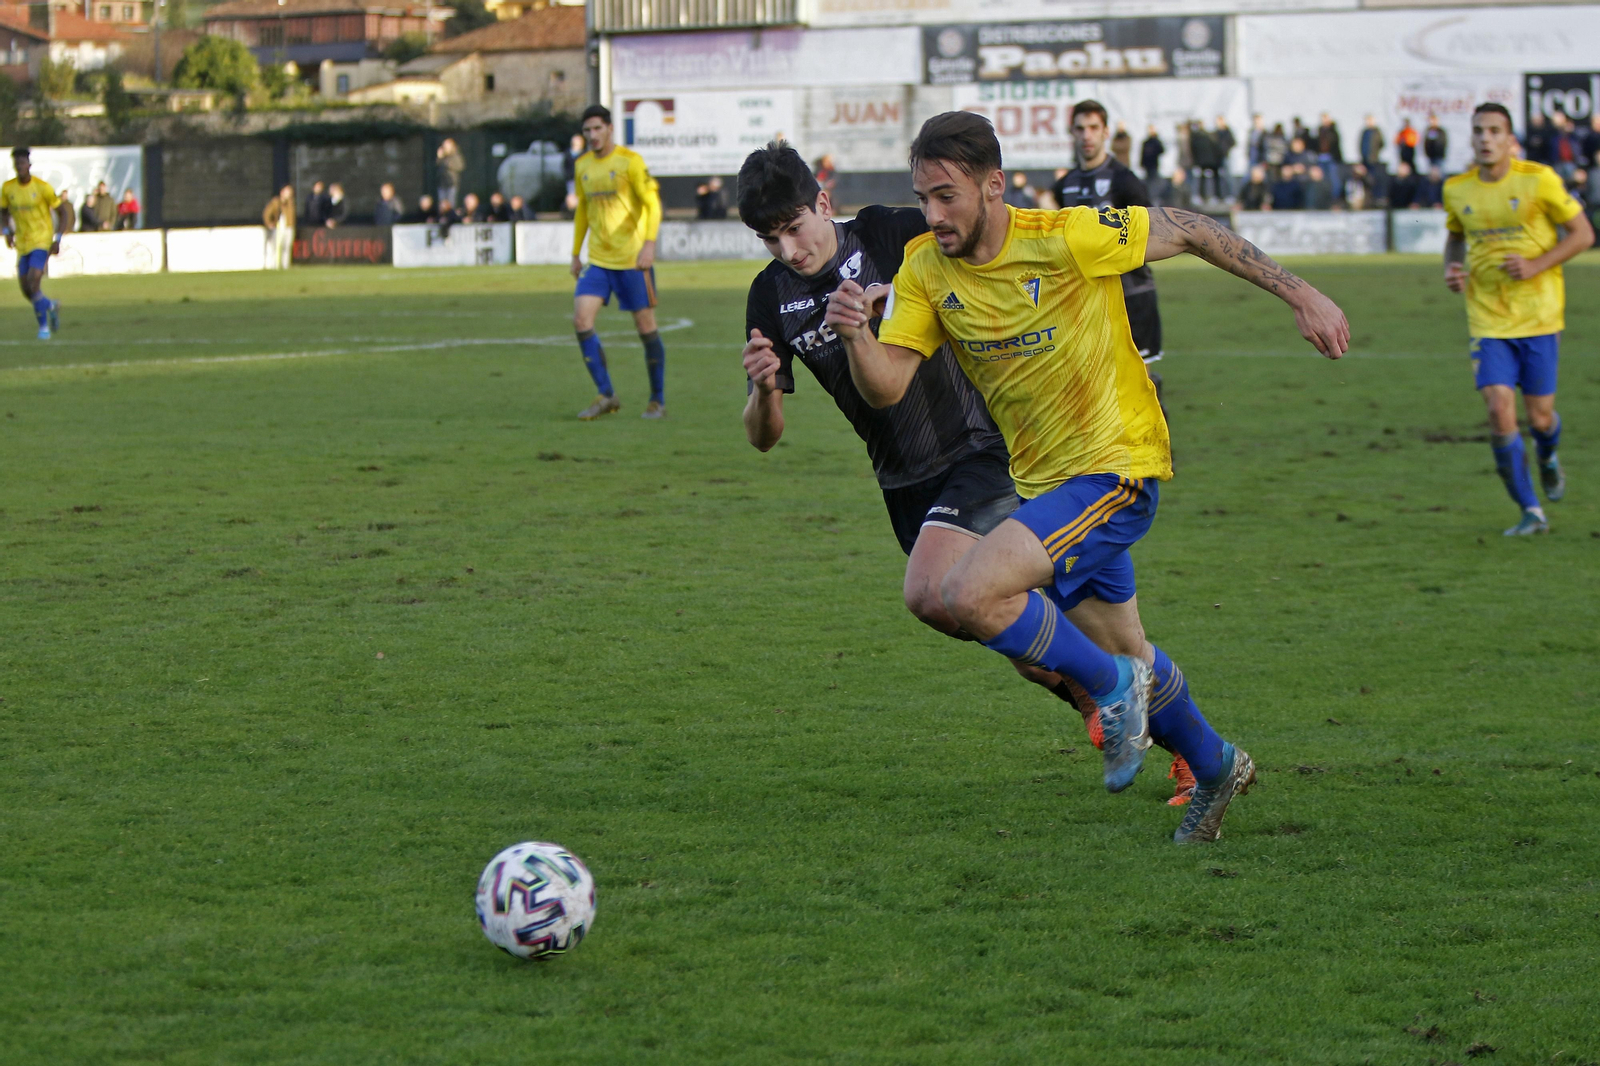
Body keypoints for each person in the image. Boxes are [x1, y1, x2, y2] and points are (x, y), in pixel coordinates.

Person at [823, 111, 1350, 842]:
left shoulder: (1067, 237)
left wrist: (1300, 293)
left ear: (994, 186)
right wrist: (856, 335)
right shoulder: (924, 270)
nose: (933, 214)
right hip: (1046, 486)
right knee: (1130, 651)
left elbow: (1193, 228)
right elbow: (887, 387)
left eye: (947, 196)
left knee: (969, 593)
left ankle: (1110, 690)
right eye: (923, 198)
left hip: (1115, 467)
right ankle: (1216, 764)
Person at [737, 140, 1197, 804]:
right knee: (1057, 640)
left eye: (793, 227)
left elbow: (985, 252)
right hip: (904, 483)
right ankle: (1184, 744)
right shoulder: (770, 295)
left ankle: (1107, 691)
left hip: (981, 451)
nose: (788, 249)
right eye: (769, 239)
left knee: (934, 594)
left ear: (823, 202)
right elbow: (764, 437)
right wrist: (761, 392)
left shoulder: (891, 233)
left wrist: (902, 297)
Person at [1443, 102, 1593, 536]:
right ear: (1471, 138)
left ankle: (1547, 454)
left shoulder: (1538, 179)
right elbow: (1455, 237)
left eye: (1495, 131)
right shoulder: (1457, 188)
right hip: (1487, 319)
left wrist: (1536, 265)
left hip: (1539, 316)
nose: (1486, 138)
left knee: (1540, 419)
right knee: (1498, 409)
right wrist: (1451, 268)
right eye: (1479, 131)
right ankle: (1531, 511)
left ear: (1510, 140)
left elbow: (1583, 234)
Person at [570, 104, 667, 421]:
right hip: (598, 260)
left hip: (632, 260)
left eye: (597, 128)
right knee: (581, 320)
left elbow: (652, 204)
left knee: (645, 326)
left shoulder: (630, 162)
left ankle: (657, 400)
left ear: (610, 128)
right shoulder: (582, 165)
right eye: (587, 130)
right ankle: (606, 394)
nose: (592, 135)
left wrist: (649, 244)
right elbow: (583, 210)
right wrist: (575, 253)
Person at [1052, 100, 1166, 368]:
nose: (1086, 136)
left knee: (1140, 377)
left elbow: (1150, 231)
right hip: (1086, 299)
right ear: (1072, 132)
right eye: (1080, 129)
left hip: (1131, 294)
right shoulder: (1064, 186)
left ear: (1106, 132)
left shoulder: (1125, 181)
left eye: (1093, 128)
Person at [0, 147, 74, 339]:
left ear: (29, 165)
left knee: (33, 280)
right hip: (22, 243)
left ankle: (43, 328)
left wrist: (58, 238)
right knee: (27, 290)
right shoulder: (8, 188)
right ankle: (50, 305)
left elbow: (63, 212)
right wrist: (7, 231)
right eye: (17, 163)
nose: (20, 166)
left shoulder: (42, 187)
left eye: (22, 163)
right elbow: (3, 212)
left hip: (42, 240)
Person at [262, 184, 295, 270]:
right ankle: (273, 265)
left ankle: (285, 265)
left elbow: (291, 215)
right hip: (278, 227)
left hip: (288, 227)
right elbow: (267, 213)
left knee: (286, 247)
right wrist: (269, 223)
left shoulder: (290, 203)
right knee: (275, 247)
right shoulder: (276, 202)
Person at [1212, 115, 1236, 200]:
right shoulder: (1215, 132)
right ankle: (1218, 196)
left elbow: (1233, 142)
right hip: (1216, 158)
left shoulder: (1227, 132)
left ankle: (1231, 195)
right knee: (1217, 178)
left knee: (1228, 177)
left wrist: (1225, 149)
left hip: (1225, 157)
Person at [437, 138, 465, 206]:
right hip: (442, 184)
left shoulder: (456, 155)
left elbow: (460, 166)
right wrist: (439, 158)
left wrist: (446, 162)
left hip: (452, 184)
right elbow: (438, 166)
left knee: (451, 204)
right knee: (442, 204)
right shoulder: (442, 156)